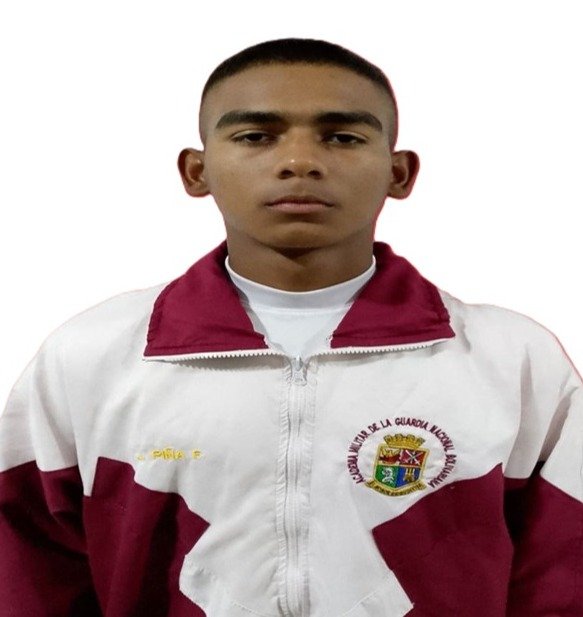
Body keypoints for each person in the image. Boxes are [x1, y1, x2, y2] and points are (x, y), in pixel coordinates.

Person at [0, 37, 581, 617]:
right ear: (197, 171)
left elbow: (563, 573)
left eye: (342, 137)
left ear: (399, 172)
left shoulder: (512, 361)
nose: (300, 162)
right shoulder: (91, 357)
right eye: (256, 136)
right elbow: (26, 574)